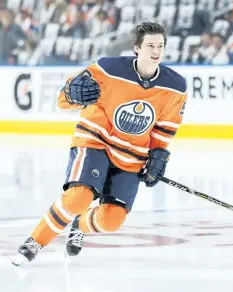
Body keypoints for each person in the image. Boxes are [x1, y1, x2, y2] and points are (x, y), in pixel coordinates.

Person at [12, 21, 188, 266]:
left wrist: (158, 155)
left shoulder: (175, 87)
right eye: (150, 45)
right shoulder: (108, 69)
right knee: (78, 198)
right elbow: (63, 99)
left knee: (111, 221)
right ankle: (35, 241)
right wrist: (72, 94)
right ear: (137, 48)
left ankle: (80, 225)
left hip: (131, 155)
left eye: (160, 46)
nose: (156, 51)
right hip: (96, 141)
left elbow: (164, 128)